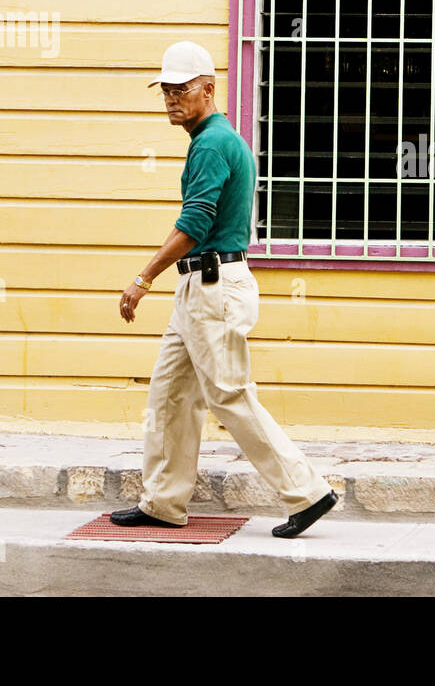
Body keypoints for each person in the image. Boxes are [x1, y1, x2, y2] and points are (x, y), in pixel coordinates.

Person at [109, 40, 338, 539]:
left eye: (180, 89)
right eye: (165, 91)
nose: (171, 99)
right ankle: (164, 502)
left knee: (230, 395)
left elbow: (194, 222)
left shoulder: (212, 143)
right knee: (170, 395)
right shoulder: (213, 139)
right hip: (200, 285)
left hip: (213, 284)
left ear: (208, 89)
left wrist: (143, 277)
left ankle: (308, 492)